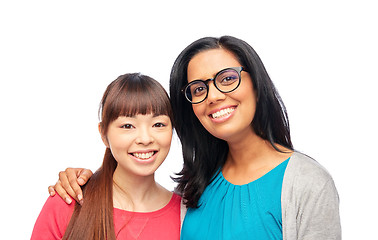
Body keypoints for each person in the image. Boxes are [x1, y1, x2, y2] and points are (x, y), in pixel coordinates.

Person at [50, 36, 341, 239]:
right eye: (198, 89)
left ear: (256, 82)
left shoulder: (306, 183)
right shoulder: (193, 190)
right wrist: (85, 180)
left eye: (227, 78)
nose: (213, 96)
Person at [32, 73, 183, 240]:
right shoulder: (68, 202)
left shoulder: (185, 215)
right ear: (103, 134)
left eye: (158, 124)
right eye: (128, 126)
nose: (145, 139)